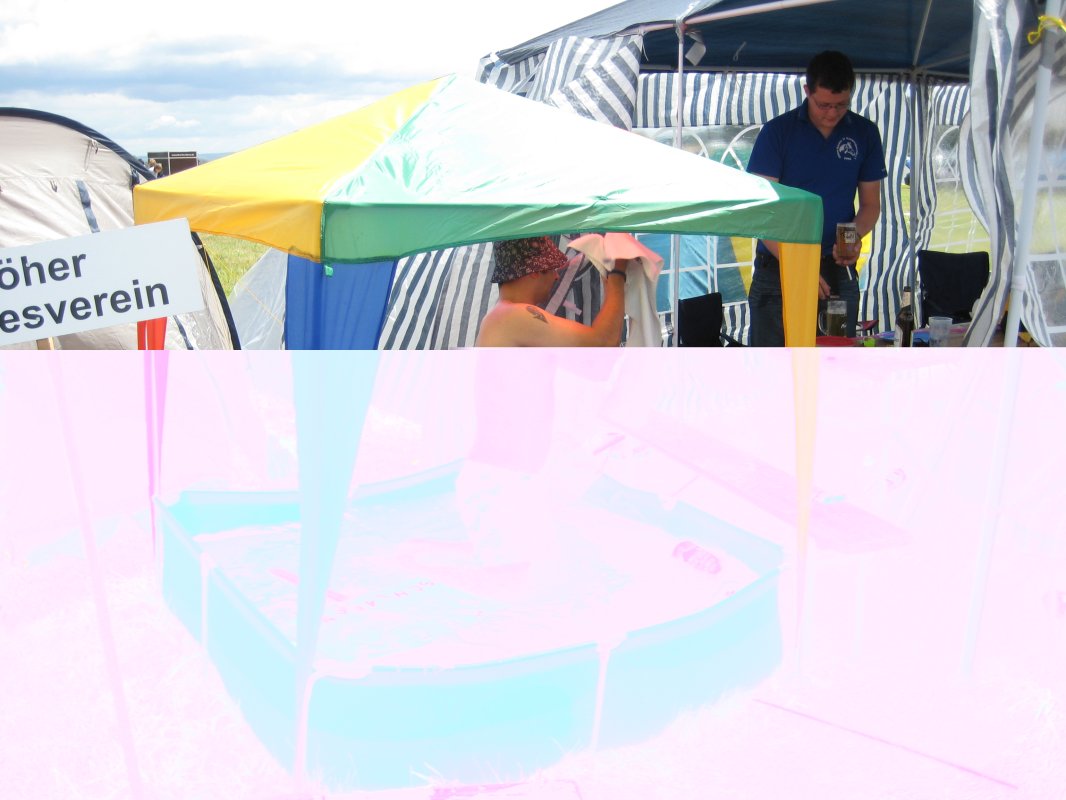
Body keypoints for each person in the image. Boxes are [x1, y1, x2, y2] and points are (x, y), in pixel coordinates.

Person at [746, 50, 888, 345]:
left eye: (841, 105)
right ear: (807, 91)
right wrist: (799, 266)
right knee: (773, 363)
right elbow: (759, 212)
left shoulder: (865, 133)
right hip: (780, 268)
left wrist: (852, 238)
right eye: (824, 105)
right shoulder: (777, 132)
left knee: (836, 360)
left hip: (837, 268)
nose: (832, 114)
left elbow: (870, 205)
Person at [475, 235, 630, 347]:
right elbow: (603, 342)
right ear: (535, 270)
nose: (556, 276)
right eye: (552, 268)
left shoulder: (500, 317)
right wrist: (617, 274)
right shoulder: (513, 316)